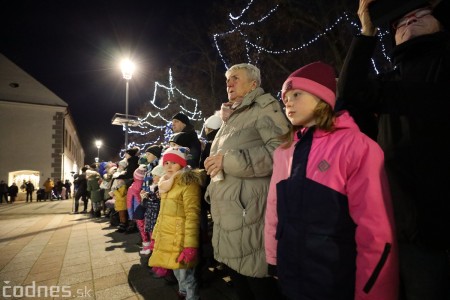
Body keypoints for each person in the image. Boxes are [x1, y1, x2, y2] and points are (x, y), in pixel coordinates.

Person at [337, 1, 450, 299]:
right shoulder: (389, 81)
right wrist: (366, 33)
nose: (410, 20)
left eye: (421, 15)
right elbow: (347, 94)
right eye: (400, 22)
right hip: (412, 228)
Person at [264, 61, 398, 300]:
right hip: (292, 277)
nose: (288, 102)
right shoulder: (285, 151)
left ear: (322, 97)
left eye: (296, 94)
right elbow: (274, 211)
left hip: (337, 282)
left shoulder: (356, 146)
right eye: (284, 99)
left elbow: (375, 230)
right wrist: (273, 259)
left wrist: (372, 292)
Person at [204, 63, 289, 300]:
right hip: (229, 212)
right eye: (227, 79)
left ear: (254, 84)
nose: (229, 83)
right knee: (240, 283)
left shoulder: (264, 107)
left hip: (248, 214)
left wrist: (227, 161)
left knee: (257, 282)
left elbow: (280, 152)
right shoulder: (232, 115)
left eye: (235, 78)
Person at [148, 146, 204, 300]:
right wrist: (155, 237)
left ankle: (192, 297)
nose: (169, 166)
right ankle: (182, 292)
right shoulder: (166, 183)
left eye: (174, 163)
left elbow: (192, 215)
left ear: (181, 163)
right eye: (166, 163)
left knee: (186, 274)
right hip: (167, 236)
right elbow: (162, 214)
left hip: (181, 238)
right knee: (175, 269)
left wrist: (190, 245)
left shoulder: (188, 183)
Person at [140, 164, 164, 255]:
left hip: (155, 217)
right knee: (152, 235)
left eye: (155, 175)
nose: (152, 177)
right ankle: (153, 253)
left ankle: (155, 255)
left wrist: (146, 198)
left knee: (156, 237)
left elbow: (156, 204)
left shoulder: (160, 188)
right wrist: (145, 197)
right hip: (151, 217)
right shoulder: (153, 187)